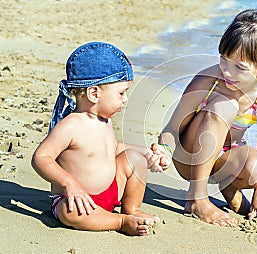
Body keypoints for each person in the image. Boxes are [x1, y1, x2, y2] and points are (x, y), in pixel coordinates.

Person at [156, 9, 257, 226]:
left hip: (225, 160)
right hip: (189, 158)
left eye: (239, 67)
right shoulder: (206, 82)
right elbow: (171, 129)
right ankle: (196, 198)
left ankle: (229, 187)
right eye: (224, 60)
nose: (227, 72)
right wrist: (164, 150)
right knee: (226, 105)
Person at [31, 42, 167, 236]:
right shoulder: (71, 125)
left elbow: (113, 148)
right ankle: (120, 221)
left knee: (133, 159)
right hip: (77, 198)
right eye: (121, 93)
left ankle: (131, 209)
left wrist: (144, 152)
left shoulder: (104, 119)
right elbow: (41, 158)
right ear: (94, 94)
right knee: (71, 212)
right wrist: (69, 183)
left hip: (111, 190)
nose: (125, 99)